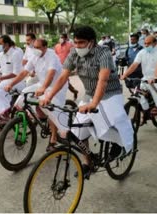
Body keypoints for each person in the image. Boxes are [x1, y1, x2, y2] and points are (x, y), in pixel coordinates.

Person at [41, 26, 134, 178]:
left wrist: (94, 104)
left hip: (111, 93)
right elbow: (63, 76)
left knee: (112, 121)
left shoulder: (103, 53)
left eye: (81, 43)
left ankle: (119, 143)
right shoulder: (73, 53)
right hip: (89, 94)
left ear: (91, 42)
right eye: (75, 42)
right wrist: (49, 96)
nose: (77, 46)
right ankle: (88, 162)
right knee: (77, 131)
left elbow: (103, 80)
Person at [4, 38, 69, 151]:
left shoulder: (51, 55)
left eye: (38, 47)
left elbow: (51, 74)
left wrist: (44, 88)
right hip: (42, 84)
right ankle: (33, 116)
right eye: (34, 47)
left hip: (56, 86)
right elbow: (24, 72)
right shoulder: (34, 56)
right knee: (25, 93)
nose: (35, 49)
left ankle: (53, 138)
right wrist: (11, 84)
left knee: (50, 109)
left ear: (45, 47)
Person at [121, 35, 157, 124]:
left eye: (148, 43)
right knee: (139, 92)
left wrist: (155, 78)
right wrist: (124, 75)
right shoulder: (142, 52)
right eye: (145, 43)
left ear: (155, 43)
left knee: (156, 87)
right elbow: (134, 65)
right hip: (146, 78)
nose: (146, 45)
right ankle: (145, 110)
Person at [55, 33, 79, 100]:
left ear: (65, 38)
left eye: (62, 37)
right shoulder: (57, 46)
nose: (61, 39)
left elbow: (75, 55)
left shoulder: (70, 45)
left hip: (68, 66)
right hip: (59, 66)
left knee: (63, 80)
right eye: (60, 37)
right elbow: (55, 56)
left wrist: (75, 66)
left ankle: (62, 96)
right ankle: (74, 91)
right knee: (64, 81)